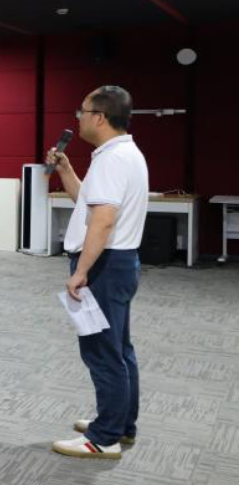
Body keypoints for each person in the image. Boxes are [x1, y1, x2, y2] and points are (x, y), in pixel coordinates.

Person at [49, 86, 148, 460]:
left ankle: (104, 437)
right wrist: (67, 170)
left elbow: (103, 221)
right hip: (119, 263)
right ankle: (121, 424)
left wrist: (82, 271)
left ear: (100, 117)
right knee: (119, 349)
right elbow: (87, 206)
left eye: (83, 111)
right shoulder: (123, 154)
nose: (79, 118)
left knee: (102, 352)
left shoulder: (112, 160)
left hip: (105, 265)